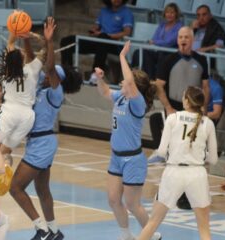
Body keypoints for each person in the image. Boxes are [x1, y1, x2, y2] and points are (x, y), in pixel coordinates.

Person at [9, 17, 82, 240]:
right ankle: (54, 231)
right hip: (41, 142)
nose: (42, 74)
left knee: (15, 187)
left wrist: (49, 42)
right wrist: (26, 39)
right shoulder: (41, 86)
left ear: (55, 80)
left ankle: (41, 230)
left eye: (48, 75)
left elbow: (49, 66)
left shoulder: (54, 92)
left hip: (42, 143)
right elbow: (33, 62)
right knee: (42, 190)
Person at [95, 41, 161, 240]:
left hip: (133, 160)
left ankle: (151, 234)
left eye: (126, 81)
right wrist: (100, 78)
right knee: (113, 199)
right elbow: (105, 91)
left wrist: (123, 56)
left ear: (135, 88)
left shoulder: (137, 103)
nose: (122, 82)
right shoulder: (121, 97)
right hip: (116, 157)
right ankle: (126, 235)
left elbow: (130, 82)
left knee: (133, 204)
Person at [138, 86, 218, 240]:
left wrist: (176, 151)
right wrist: (201, 154)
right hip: (197, 175)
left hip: (173, 173)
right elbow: (213, 159)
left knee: (153, 223)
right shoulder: (207, 123)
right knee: (204, 230)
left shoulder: (173, 118)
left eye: (183, 97)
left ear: (187, 101)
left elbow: (161, 151)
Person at [0, 30, 45, 196]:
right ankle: (5, 167)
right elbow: (45, 49)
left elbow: (10, 44)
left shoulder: (7, 72)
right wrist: (35, 37)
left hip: (10, 112)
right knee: (5, 149)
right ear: (22, 58)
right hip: (27, 117)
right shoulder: (33, 69)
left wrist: (15, 31)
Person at [149, 26, 210, 149]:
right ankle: (161, 153)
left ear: (192, 40)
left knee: (188, 143)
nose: (183, 39)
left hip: (193, 109)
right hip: (174, 107)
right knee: (159, 125)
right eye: (180, 37)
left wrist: (204, 108)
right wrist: (168, 107)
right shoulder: (167, 60)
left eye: (186, 37)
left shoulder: (201, 60)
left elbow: (205, 87)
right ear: (177, 40)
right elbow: (159, 85)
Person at [60, 0, 133, 71]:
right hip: (99, 42)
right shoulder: (104, 11)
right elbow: (96, 27)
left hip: (114, 45)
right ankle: (68, 73)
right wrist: (93, 31)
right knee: (66, 41)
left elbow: (127, 32)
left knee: (103, 37)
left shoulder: (127, 12)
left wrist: (107, 35)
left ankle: (95, 74)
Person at [132, 2, 183, 80]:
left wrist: (156, 42)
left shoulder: (179, 26)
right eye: (167, 12)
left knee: (161, 55)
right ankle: (139, 78)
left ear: (176, 14)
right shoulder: (162, 24)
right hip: (158, 51)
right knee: (139, 52)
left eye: (172, 12)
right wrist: (156, 42)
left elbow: (169, 42)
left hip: (170, 53)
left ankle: (152, 80)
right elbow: (154, 38)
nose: (169, 14)